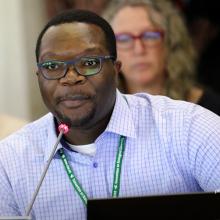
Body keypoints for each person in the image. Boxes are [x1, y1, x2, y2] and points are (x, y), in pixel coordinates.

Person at [0, 9, 220, 220]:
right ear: (39, 75)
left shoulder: (188, 127)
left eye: (89, 63)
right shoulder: (10, 162)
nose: (70, 77)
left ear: (116, 69)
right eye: (52, 66)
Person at [102, 0, 220, 115]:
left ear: (171, 42)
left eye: (150, 36)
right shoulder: (99, 114)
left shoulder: (210, 110)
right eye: (124, 39)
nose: (139, 50)